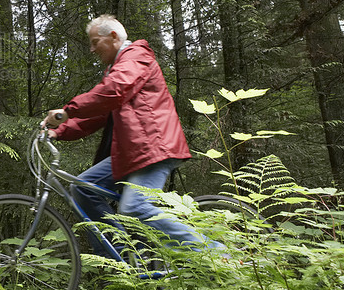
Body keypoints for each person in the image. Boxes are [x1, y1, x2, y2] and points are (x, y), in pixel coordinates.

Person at [44, 14, 222, 256]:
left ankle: (221, 255)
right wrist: (59, 131)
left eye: (96, 41)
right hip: (132, 151)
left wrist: (67, 111)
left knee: (135, 208)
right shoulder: (115, 69)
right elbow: (100, 114)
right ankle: (124, 261)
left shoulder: (136, 57)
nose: (92, 48)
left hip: (153, 147)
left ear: (114, 36)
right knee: (84, 188)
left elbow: (114, 91)